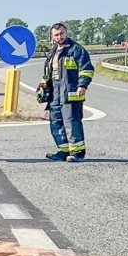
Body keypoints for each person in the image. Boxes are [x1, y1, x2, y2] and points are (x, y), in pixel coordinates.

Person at [38, 23, 95, 161]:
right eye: (56, 35)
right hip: (55, 95)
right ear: (52, 36)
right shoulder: (52, 52)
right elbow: (49, 73)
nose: (59, 37)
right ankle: (62, 151)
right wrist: (42, 86)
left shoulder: (76, 50)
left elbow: (87, 69)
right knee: (56, 123)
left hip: (71, 94)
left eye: (62, 33)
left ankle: (77, 153)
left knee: (71, 123)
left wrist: (82, 85)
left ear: (66, 33)